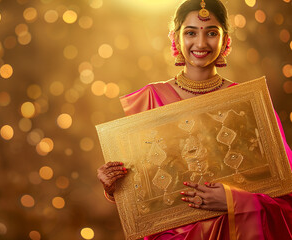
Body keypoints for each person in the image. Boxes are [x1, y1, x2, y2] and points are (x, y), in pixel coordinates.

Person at [96, 0, 292, 239]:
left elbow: (285, 196)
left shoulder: (248, 103)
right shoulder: (150, 99)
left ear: (226, 40)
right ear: (175, 38)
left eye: (211, 33)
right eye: (190, 33)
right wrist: (114, 186)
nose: (200, 43)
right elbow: (145, 195)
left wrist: (234, 201)